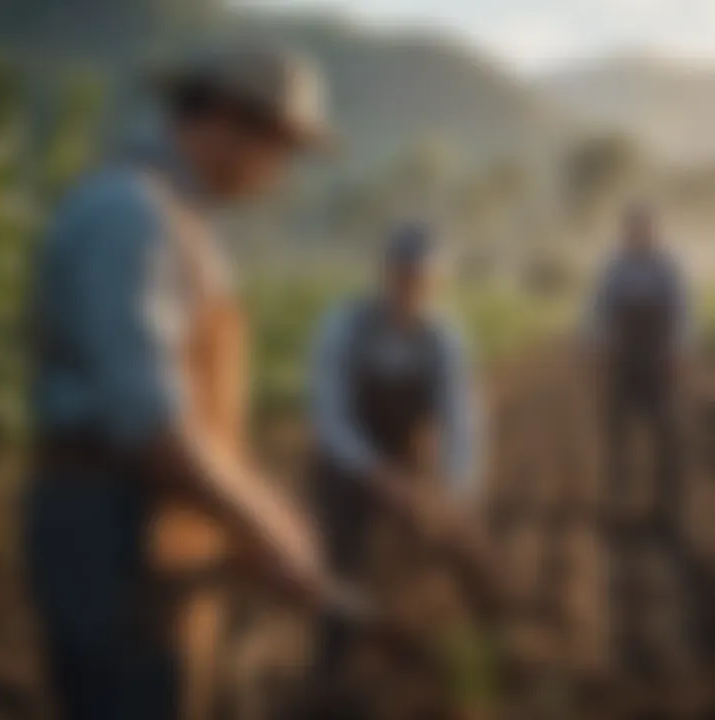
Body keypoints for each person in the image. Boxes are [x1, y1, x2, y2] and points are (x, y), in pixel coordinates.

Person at [25, 46, 334, 720]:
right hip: (110, 521)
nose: (278, 174)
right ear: (227, 119)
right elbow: (148, 419)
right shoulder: (130, 214)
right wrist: (265, 528)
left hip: (154, 519)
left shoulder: (179, 222)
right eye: (280, 149)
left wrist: (259, 508)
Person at [309, 223, 481, 718]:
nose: (413, 289)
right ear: (386, 275)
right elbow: (329, 414)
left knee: (420, 565)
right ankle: (331, 672)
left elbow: (460, 420)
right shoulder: (344, 325)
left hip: (409, 467)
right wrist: (373, 472)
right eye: (405, 277)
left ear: (439, 282)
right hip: (345, 464)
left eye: (424, 280)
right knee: (341, 563)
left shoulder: (444, 337)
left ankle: (413, 676)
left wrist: (454, 490)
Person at [587, 203, 690, 531]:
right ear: (627, 233)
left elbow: (681, 313)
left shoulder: (667, 268)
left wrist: (675, 352)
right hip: (624, 357)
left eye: (645, 228)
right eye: (634, 229)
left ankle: (667, 503)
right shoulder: (615, 269)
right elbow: (599, 312)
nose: (639, 234)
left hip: (657, 356)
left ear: (654, 232)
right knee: (619, 431)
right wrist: (602, 352)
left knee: (665, 430)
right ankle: (619, 500)